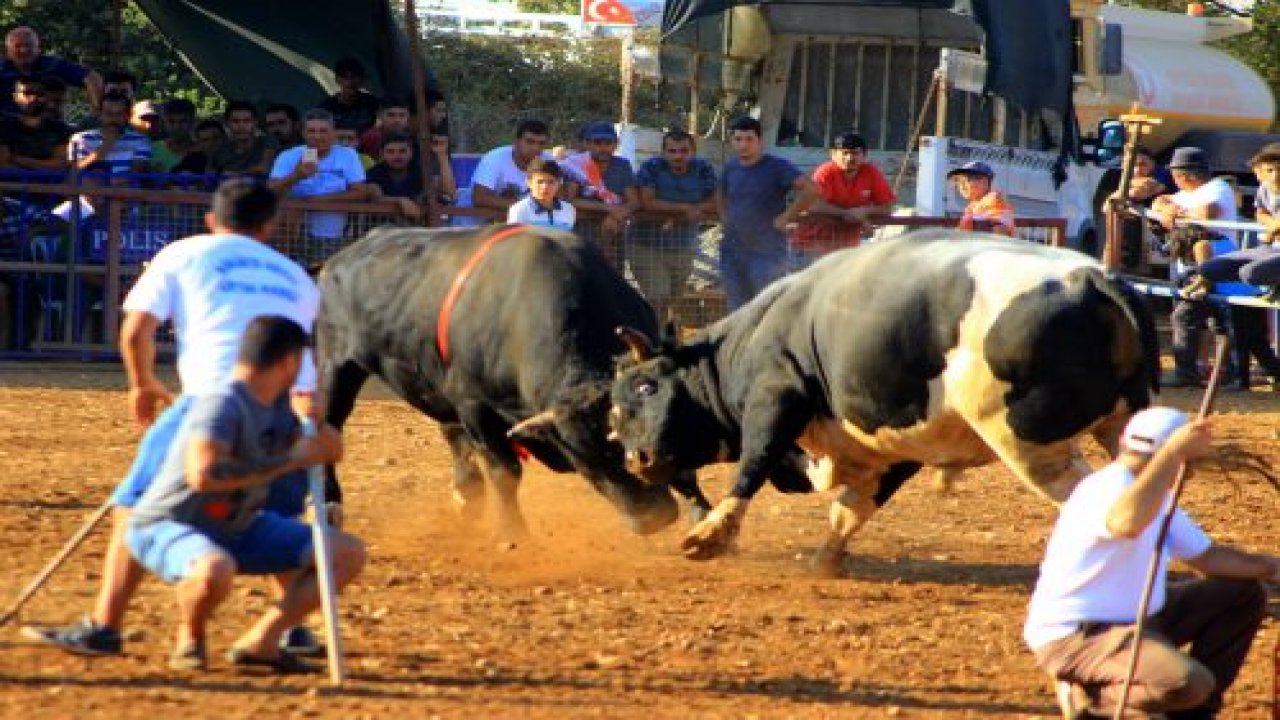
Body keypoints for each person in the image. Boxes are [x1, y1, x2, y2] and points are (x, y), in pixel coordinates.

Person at [23, 178, 327, 659]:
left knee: (137, 505)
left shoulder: (185, 253)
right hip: (288, 406)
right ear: (270, 226)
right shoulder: (295, 276)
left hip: (211, 401)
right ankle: (293, 628)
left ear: (211, 220)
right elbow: (308, 359)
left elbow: (136, 330)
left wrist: (142, 384)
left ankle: (105, 626)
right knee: (273, 513)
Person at [127, 315, 365, 672]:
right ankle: (190, 637)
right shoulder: (221, 403)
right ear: (289, 362)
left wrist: (317, 423)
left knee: (346, 552)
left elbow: (332, 452)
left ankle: (263, 641)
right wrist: (290, 459)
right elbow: (205, 475)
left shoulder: (279, 405)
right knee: (214, 568)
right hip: (172, 524)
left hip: (237, 525)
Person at [1025, 407, 1279, 719]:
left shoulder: (1155, 494)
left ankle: (1192, 715)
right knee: (1188, 683)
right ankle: (1091, 697)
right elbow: (1125, 523)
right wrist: (1173, 453)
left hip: (1141, 619)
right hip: (1080, 636)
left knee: (1242, 595)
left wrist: (1272, 566)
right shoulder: (1106, 488)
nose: (1191, 472)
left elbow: (1208, 558)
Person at [1150, 147, 1239, 388]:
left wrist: (1176, 213)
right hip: (1196, 264)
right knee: (1207, 317)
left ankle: (1189, 372)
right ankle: (1222, 372)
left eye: (1176, 175)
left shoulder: (1217, 188)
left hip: (1217, 261)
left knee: (1194, 315)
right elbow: (1159, 201)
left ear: (1184, 176)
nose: (1174, 180)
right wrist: (1167, 207)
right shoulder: (1188, 193)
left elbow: (1209, 211)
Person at [717, 115, 820, 309]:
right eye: (738, 139)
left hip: (767, 253)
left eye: (749, 139)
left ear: (760, 141)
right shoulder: (731, 167)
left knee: (766, 308)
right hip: (732, 251)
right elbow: (720, 194)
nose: (743, 145)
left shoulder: (777, 167)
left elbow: (812, 190)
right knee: (736, 309)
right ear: (731, 141)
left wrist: (787, 217)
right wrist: (724, 219)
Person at [1167, 225, 1280, 393]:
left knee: (1237, 341)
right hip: (1251, 294)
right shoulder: (1226, 241)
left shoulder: (1201, 245)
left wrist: (1188, 290)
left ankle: (1239, 380)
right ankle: (1275, 373)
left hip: (1233, 299)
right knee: (1257, 342)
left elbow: (1205, 277)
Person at [629, 128, 717, 318]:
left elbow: (715, 201)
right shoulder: (652, 167)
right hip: (646, 245)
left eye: (684, 151)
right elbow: (647, 202)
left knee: (672, 302)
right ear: (663, 152)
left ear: (693, 151)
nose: (678, 156)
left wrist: (683, 212)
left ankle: (662, 333)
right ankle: (652, 335)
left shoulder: (703, 168)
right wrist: (686, 208)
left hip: (683, 246)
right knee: (658, 298)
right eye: (672, 151)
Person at [268, 108, 372, 263]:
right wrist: (296, 176)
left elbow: (361, 192)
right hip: (292, 236)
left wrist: (315, 201)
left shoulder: (347, 155)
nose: (317, 136)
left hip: (332, 235)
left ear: (333, 133)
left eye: (323, 131)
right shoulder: (289, 155)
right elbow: (270, 190)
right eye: (312, 131)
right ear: (303, 133)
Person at [793, 131, 895, 268]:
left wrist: (864, 211)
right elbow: (812, 204)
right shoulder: (826, 172)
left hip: (847, 249)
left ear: (864, 155)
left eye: (855, 153)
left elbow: (887, 207)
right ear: (833, 154)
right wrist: (850, 214)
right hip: (810, 245)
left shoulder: (871, 172)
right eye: (845, 153)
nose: (849, 158)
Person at [1198, 142, 1280, 303]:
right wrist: (1272, 225)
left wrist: (1274, 228)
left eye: (1279, 170)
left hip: (1272, 246)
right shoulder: (1264, 187)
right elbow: (1260, 213)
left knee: (1251, 273)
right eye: (1270, 170)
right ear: (1259, 171)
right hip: (1271, 247)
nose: (1275, 176)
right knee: (1209, 269)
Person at [0, 27, 103, 116]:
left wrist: (98, 111)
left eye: (29, 45)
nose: (24, 50)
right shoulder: (2, 70)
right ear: (8, 50)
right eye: (18, 46)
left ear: (38, 48)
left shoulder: (52, 66)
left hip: (48, 126)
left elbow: (91, 77)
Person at [469, 119, 552, 213]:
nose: (535, 148)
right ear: (516, 142)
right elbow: (480, 198)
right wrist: (527, 207)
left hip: (528, 219)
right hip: (484, 220)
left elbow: (558, 195)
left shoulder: (547, 160)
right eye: (529, 142)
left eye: (541, 143)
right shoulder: (495, 159)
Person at [0, 74, 71, 173]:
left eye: (39, 94)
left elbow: (60, 165)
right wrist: (42, 167)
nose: (33, 98)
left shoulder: (60, 129)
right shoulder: (4, 126)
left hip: (49, 182)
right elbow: (3, 165)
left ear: (47, 98)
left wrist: (19, 160)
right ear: (15, 97)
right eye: (27, 93)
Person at [209, 101, 278, 177]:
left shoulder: (267, 142)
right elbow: (209, 177)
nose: (241, 126)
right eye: (235, 121)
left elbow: (265, 167)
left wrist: (236, 175)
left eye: (247, 121)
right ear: (227, 124)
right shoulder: (219, 151)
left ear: (255, 123)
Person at [947, 160, 1016, 237]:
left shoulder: (994, 200)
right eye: (959, 181)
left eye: (967, 180)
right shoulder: (973, 206)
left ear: (984, 182)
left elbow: (1001, 232)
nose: (962, 185)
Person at [506, 157, 575, 230]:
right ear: (529, 182)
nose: (545, 187)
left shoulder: (568, 209)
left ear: (559, 182)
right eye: (540, 182)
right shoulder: (519, 210)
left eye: (551, 182)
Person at [317, 56, 380, 134]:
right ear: (337, 79)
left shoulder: (373, 103)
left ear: (362, 79)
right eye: (345, 77)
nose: (349, 82)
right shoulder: (325, 108)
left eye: (354, 76)